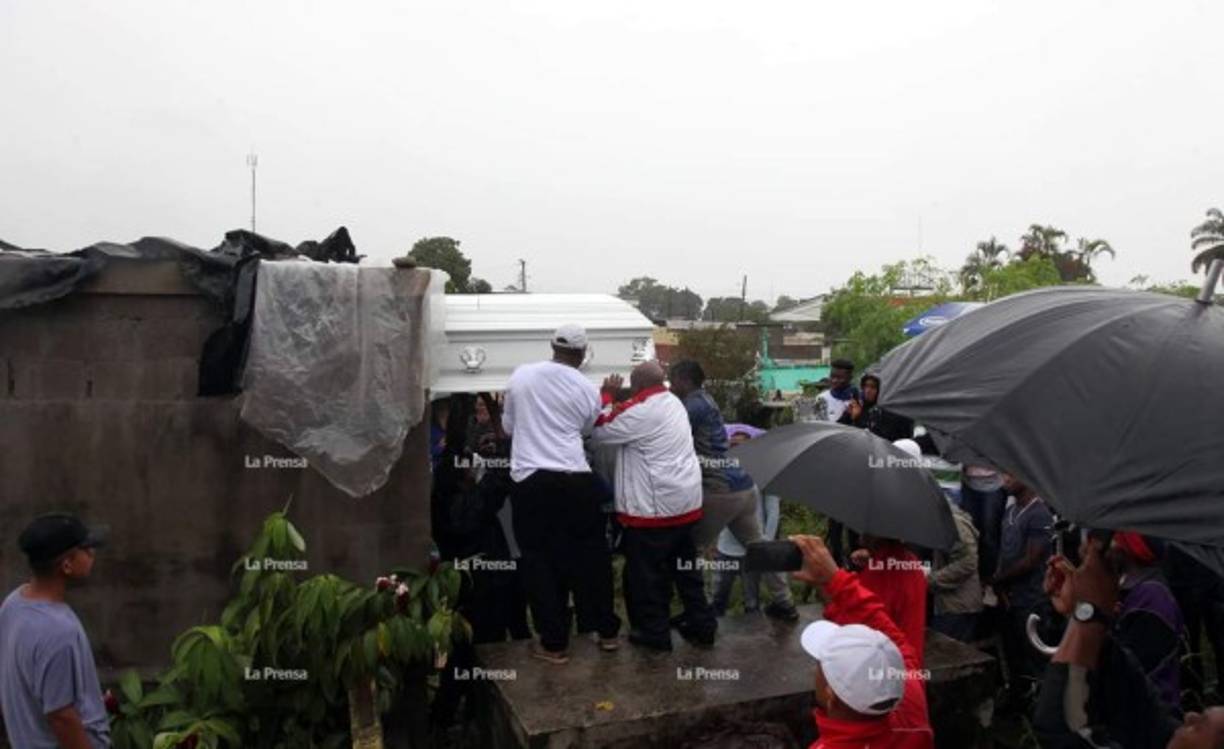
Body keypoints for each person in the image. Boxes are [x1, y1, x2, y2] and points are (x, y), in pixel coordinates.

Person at [502, 324, 620, 664]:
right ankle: (607, 632)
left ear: (551, 347)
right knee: (591, 559)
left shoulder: (521, 376)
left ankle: (554, 644)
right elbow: (585, 430)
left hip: (532, 481)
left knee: (539, 561)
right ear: (582, 355)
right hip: (576, 480)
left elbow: (510, 427)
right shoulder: (587, 388)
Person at [1033, 542, 1224, 749]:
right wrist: (1081, 610)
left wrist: (1089, 616)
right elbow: (1128, 688)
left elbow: (1063, 731)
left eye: (1199, 728)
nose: (1190, 716)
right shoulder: (1166, 734)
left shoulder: (1152, 599)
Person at [589, 362, 715, 651]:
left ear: (636, 386)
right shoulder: (673, 403)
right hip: (686, 504)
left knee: (647, 576)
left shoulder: (641, 411)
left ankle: (654, 634)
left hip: (654, 511)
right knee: (687, 572)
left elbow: (600, 432)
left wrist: (607, 396)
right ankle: (703, 626)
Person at [668, 360, 799, 622]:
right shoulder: (707, 400)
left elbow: (667, 434)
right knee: (759, 548)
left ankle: (700, 612)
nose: (671, 386)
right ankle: (785, 604)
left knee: (690, 552)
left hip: (720, 489)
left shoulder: (690, 407)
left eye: (673, 381)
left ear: (683, 379)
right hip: (743, 486)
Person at [791, 535, 934, 749]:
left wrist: (835, 580)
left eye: (821, 663)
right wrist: (833, 580)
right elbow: (896, 641)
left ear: (830, 695)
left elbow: (894, 638)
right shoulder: (913, 706)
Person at [0, 513, 111, 749]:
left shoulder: (14, 604)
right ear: (67, 565)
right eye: (85, 549)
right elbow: (61, 717)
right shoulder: (59, 631)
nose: (92, 553)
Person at [987, 473, 1056, 703]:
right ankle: (1021, 703)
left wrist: (999, 579)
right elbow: (1004, 553)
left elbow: (1031, 559)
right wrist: (1000, 588)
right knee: (1015, 654)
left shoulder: (1040, 514)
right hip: (1011, 597)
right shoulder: (1010, 512)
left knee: (1036, 657)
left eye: (1009, 474)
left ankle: (1044, 706)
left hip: (1033, 598)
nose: (1004, 479)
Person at [708, 427, 782, 616]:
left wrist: (766, 543)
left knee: (751, 601)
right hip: (725, 547)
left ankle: (755, 643)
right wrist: (712, 540)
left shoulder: (764, 474)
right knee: (717, 597)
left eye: (741, 445)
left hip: (753, 547)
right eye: (732, 445)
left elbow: (773, 511)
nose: (736, 449)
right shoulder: (722, 474)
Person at [1108, 531, 1185, 712]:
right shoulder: (1132, 591)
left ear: (1127, 547)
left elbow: (1132, 668)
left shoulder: (1151, 599)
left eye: (1113, 540)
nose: (1108, 548)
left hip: (1151, 715)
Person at [849, 535, 928, 667]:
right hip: (910, 660)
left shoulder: (878, 574)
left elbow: (860, 620)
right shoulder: (911, 562)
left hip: (884, 666)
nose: (859, 537)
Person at [928, 492, 983, 643]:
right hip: (950, 604)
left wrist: (931, 580)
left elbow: (967, 562)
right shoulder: (943, 522)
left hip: (959, 606)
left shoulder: (954, 524)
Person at [839, 374, 914, 443]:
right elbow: (838, 431)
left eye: (873, 387)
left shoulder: (894, 411)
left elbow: (881, 438)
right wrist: (850, 416)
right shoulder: (859, 408)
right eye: (865, 386)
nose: (867, 390)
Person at [815, 359, 860, 423]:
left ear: (850, 378)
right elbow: (820, 427)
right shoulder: (821, 399)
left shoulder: (858, 399)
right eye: (832, 376)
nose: (834, 380)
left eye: (839, 378)